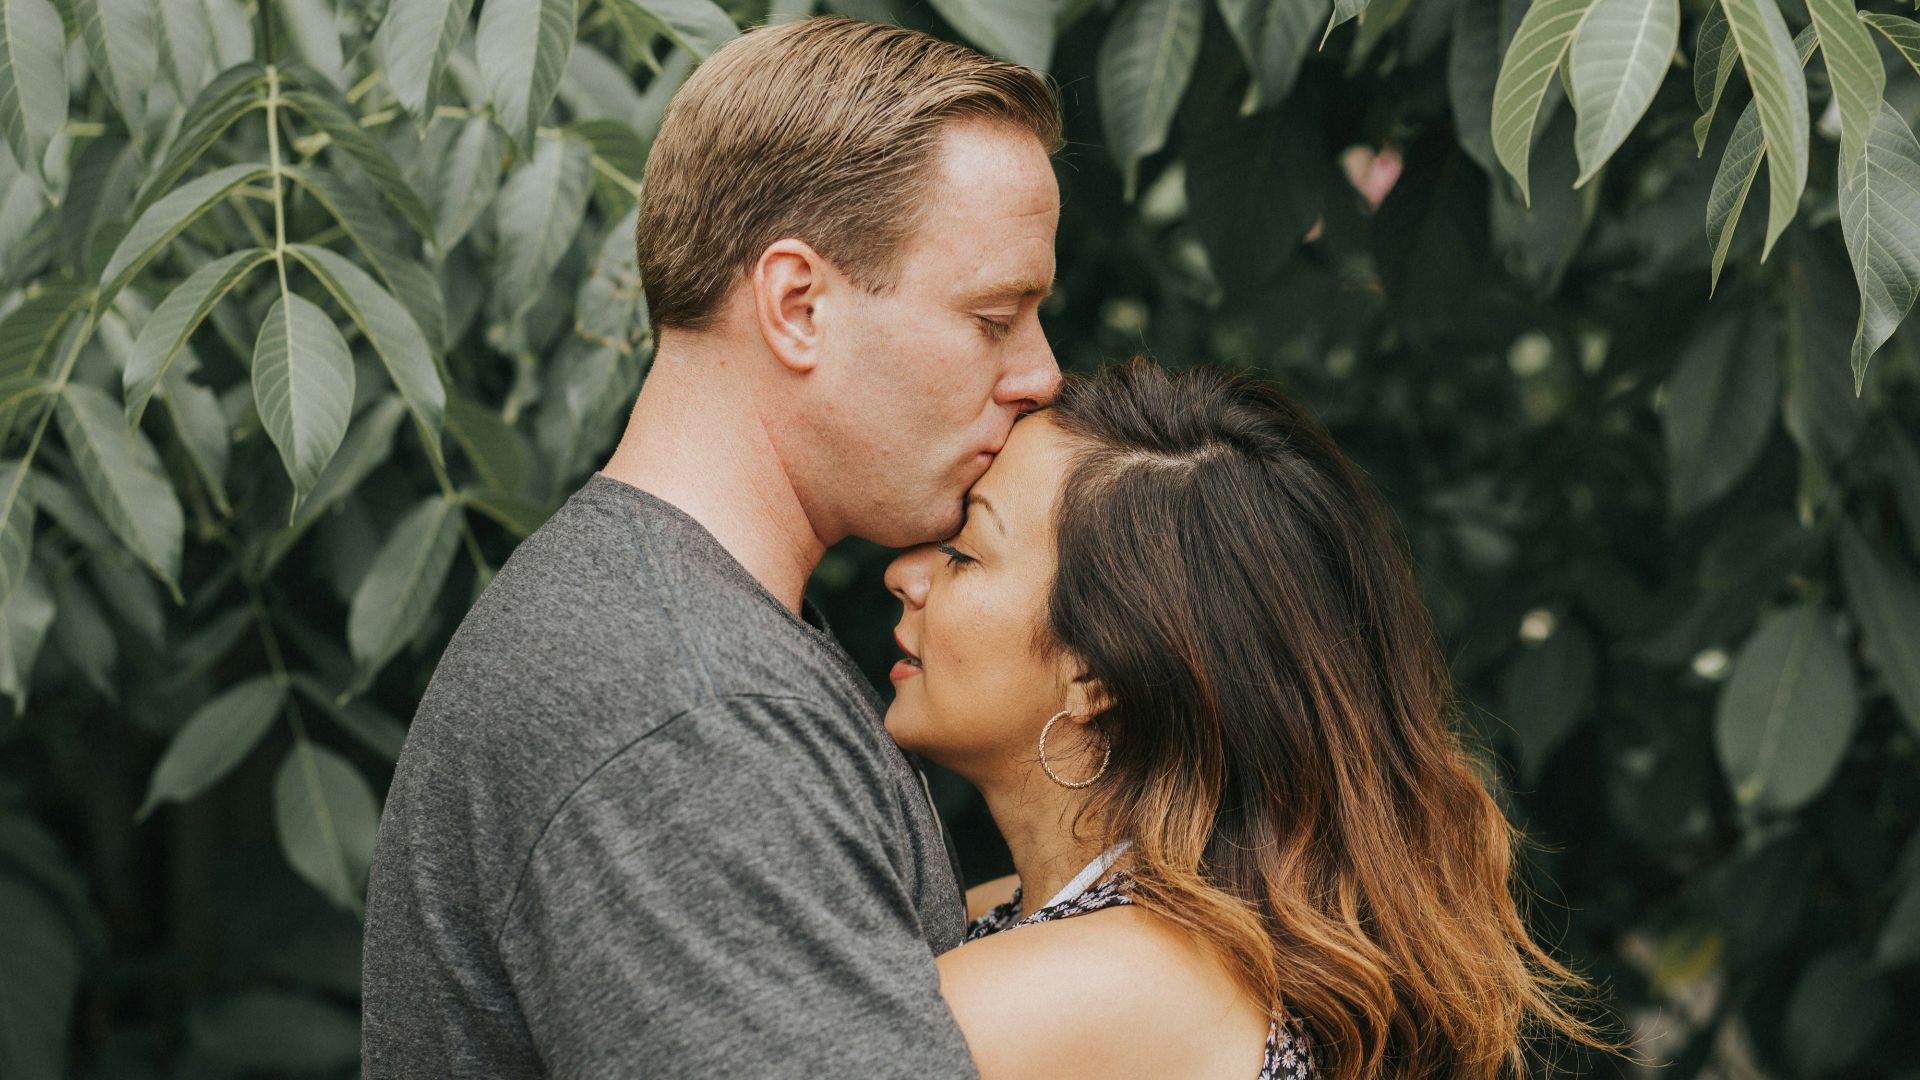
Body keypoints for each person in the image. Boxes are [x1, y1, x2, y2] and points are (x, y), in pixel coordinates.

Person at [360, 16, 1061, 1078]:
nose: (1040, 374)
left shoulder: (691, 642)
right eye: (995, 316)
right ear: (795, 305)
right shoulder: (693, 711)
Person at [884, 359, 1611, 1080]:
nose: (903, 574)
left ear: (1096, 673)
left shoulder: (1103, 984)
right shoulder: (1060, 928)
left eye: (962, 553)